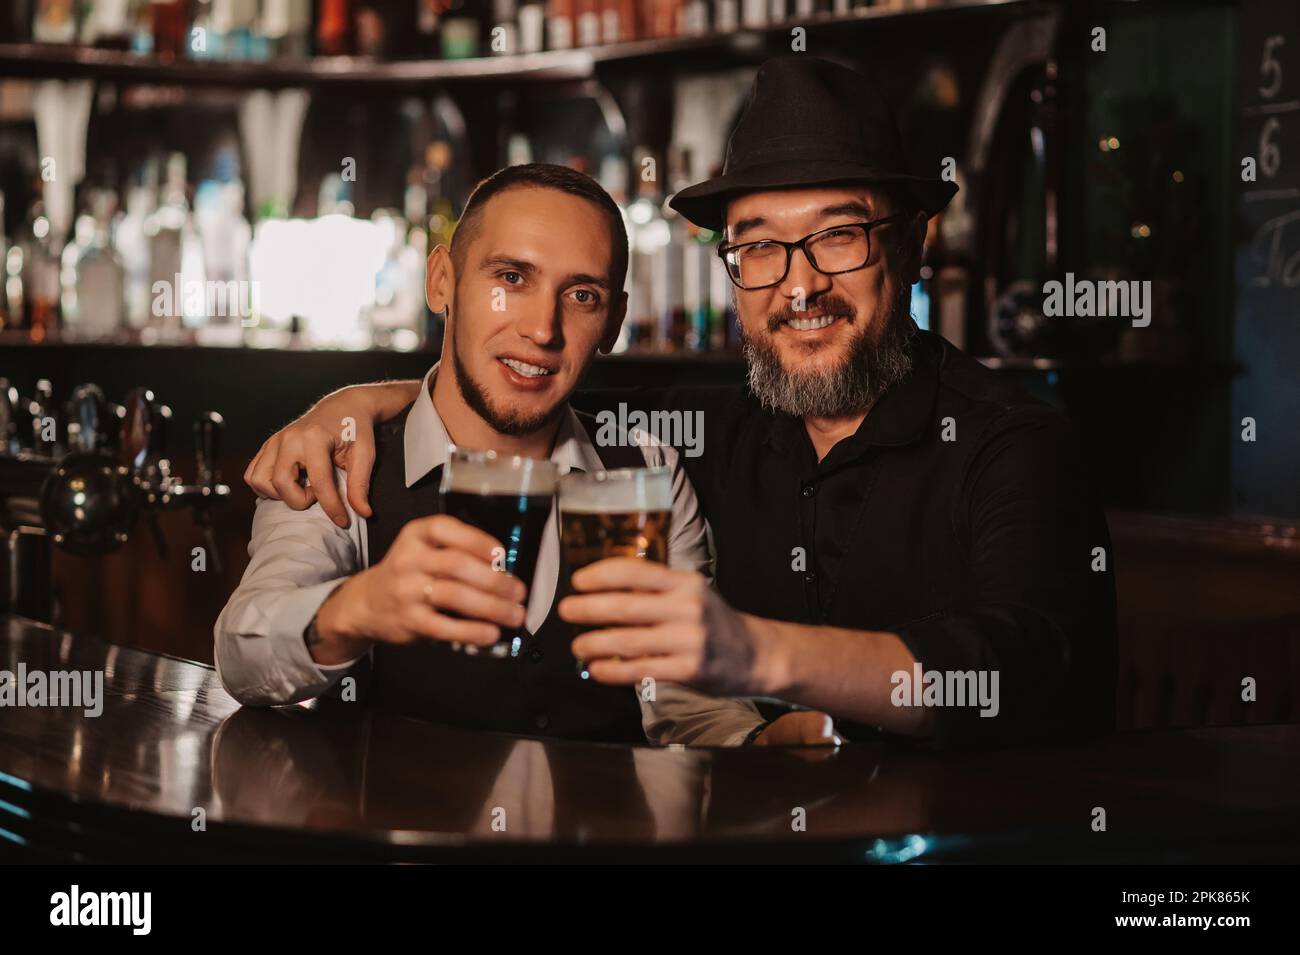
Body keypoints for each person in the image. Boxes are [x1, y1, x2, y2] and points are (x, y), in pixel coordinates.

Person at [247, 58, 1118, 749]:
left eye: (838, 236)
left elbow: (1014, 672)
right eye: (760, 246)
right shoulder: (707, 430)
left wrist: (754, 654)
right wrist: (362, 404)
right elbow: (530, 387)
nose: (800, 284)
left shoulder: (1013, 442)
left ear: (913, 246)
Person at [217, 162, 829, 746]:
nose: (542, 329)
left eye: (582, 295)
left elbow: (682, 700)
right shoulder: (343, 458)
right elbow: (243, 656)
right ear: (441, 281)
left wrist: (754, 740)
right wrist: (358, 608)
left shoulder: (648, 470)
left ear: (613, 322)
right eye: (511, 279)